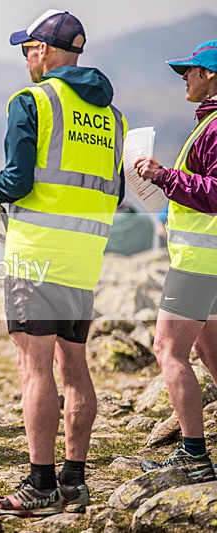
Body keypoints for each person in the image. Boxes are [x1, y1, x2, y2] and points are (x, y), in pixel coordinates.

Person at [0, 10, 126, 516]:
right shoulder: (113, 118)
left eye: (28, 48)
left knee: (34, 369)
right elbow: (116, 195)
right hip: (84, 257)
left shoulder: (31, 100)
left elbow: (17, 180)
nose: (26, 58)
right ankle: (74, 480)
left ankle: (40, 485)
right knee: (74, 365)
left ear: (45, 51)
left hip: (35, 254)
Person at [135, 40, 217, 483]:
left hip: (200, 262)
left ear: (210, 74)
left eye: (189, 70)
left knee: (168, 350)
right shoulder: (209, 124)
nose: (183, 77)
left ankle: (194, 456)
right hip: (208, 260)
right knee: (209, 350)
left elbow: (216, 193)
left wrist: (164, 176)